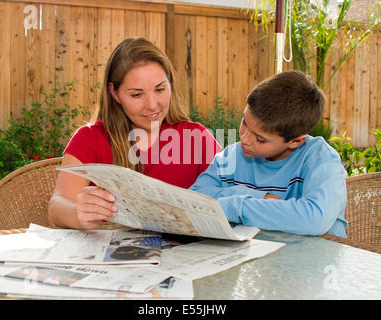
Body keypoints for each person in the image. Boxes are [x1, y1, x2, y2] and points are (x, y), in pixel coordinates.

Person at [48, 37, 221, 230]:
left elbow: (233, 191)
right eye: (136, 95)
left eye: (160, 89)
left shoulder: (196, 137)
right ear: (115, 93)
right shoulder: (89, 139)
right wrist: (77, 213)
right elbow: (57, 207)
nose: (153, 105)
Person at [190, 70, 348, 237]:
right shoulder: (232, 156)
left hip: (318, 259)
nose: (244, 139)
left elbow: (315, 219)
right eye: (245, 122)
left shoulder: (321, 159)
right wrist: (261, 198)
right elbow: (194, 198)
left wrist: (236, 207)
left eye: (260, 139)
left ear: (295, 141)